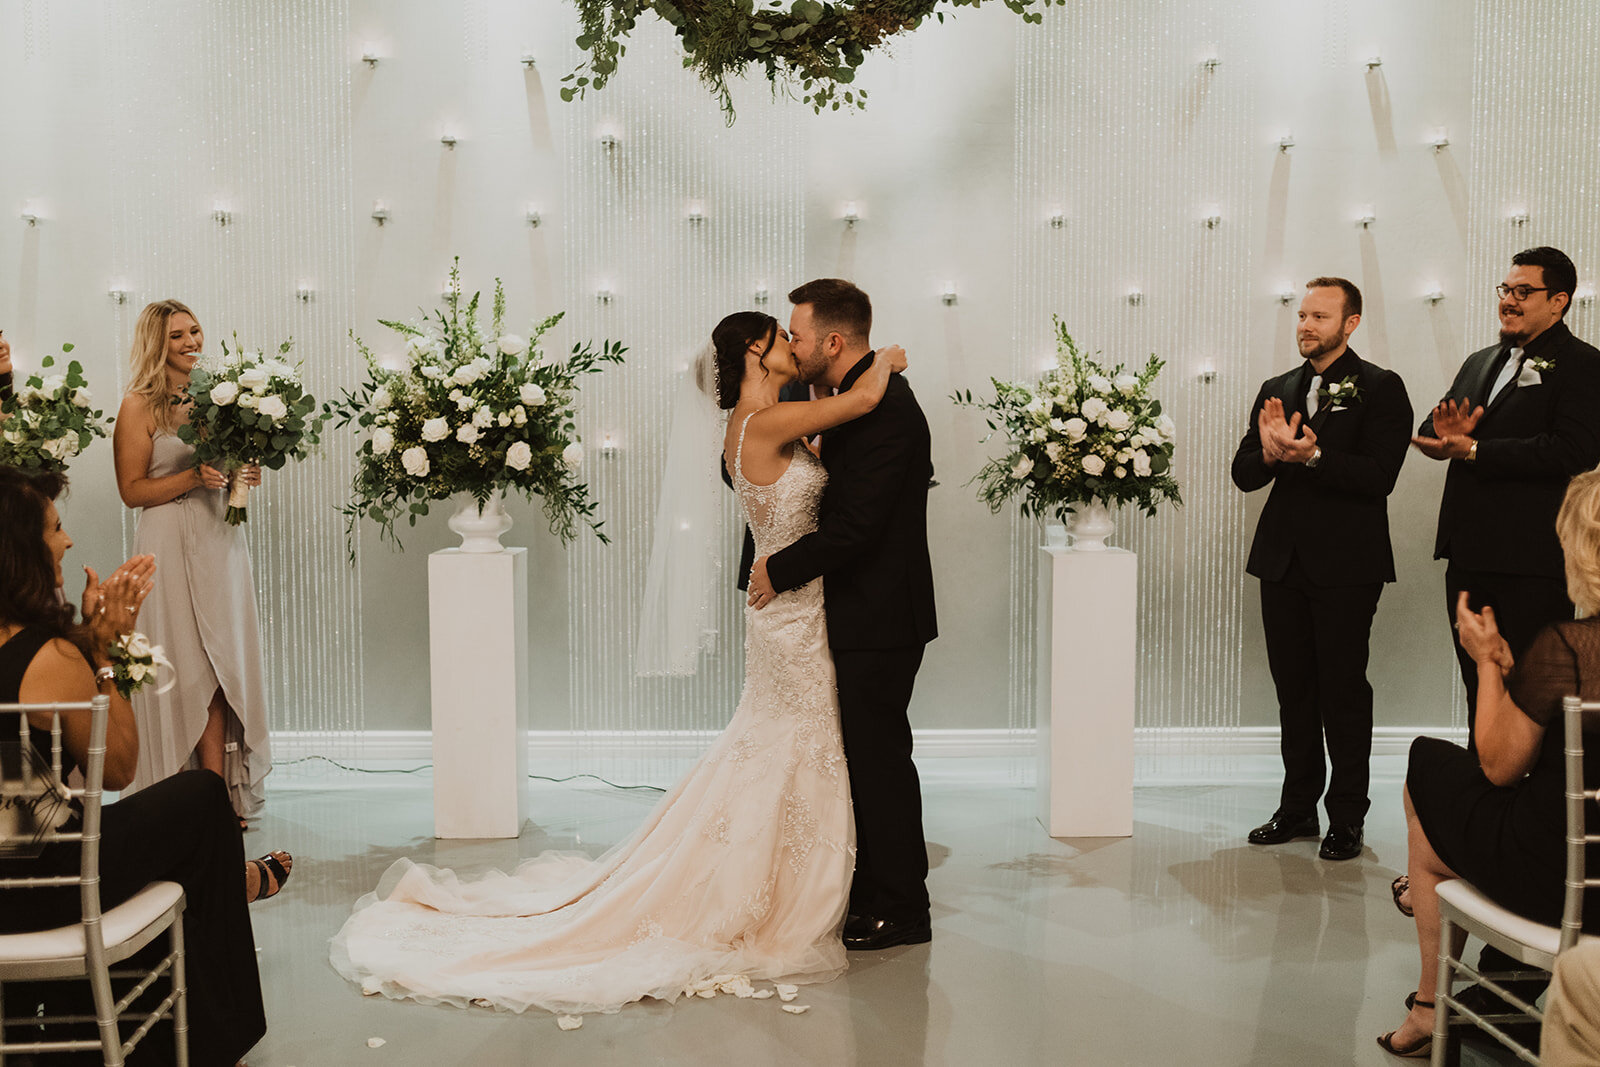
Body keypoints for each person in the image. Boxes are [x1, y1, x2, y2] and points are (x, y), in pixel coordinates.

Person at [330, 312, 908, 1017]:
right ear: (757, 352)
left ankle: (786, 879)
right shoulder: (761, 425)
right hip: (789, 611)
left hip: (794, 605)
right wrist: (888, 359)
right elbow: (861, 401)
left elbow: (813, 469)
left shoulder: (769, 420)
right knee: (788, 743)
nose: (793, 344)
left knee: (781, 745)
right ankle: (776, 890)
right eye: (781, 337)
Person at [0, 465, 288, 1066]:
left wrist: (81, 642)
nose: (68, 540)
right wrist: (109, 654)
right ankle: (209, 1035)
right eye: (56, 528)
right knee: (204, 796)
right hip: (38, 889)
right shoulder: (46, 661)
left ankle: (223, 890)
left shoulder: (40, 652)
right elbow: (117, 769)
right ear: (22, 550)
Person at [1377, 470, 1600, 1059]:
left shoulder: (1572, 648)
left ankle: (1429, 1006)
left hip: (1567, 881)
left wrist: (1487, 665)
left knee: (1426, 769)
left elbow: (1500, 766)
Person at [746, 278, 939, 948]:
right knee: (863, 758)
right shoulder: (858, 396)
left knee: (880, 759)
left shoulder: (887, 409)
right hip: (859, 609)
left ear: (832, 340)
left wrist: (779, 567)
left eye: (797, 335)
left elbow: (855, 528)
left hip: (881, 615)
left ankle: (904, 906)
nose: (792, 347)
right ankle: (869, 890)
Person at [1230, 277, 1412, 861]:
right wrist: (1270, 451)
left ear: (1350, 323)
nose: (1306, 324)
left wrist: (1313, 455)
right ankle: (1297, 807)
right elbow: (1244, 472)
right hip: (1281, 561)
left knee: (1342, 691)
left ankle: (1348, 817)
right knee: (1294, 691)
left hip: (1346, 565)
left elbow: (1379, 475)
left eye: (1320, 315)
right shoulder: (1277, 388)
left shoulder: (1382, 387)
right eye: (1302, 314)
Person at [1412, 246, 1600, 749]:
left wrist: (1474, 449)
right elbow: (1442, 426)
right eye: (1506, 290)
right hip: (1469, 553)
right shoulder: (1481, 361)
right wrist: (1439, 437)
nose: (1509, 301)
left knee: (1533, 692)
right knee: (1480, 683)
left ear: (1558, 301)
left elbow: (1573, 451)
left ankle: (1529, 813)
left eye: (1524, 292)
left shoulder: (1583, 365)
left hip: (1533, 559)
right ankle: (1483, 796)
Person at [112, 300, 269, 827]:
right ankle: (179, 799)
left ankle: (219, 798)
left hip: (218, 537)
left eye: (195, 330)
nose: (191, 341)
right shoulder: (138, 405)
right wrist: (192, 478)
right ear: (157, 343)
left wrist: (241, 473)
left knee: (223, 667)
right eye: (177, 335)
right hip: (166, 540)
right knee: (185, 666)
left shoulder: (223, 400)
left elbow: (222, 469)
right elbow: (131, 490)